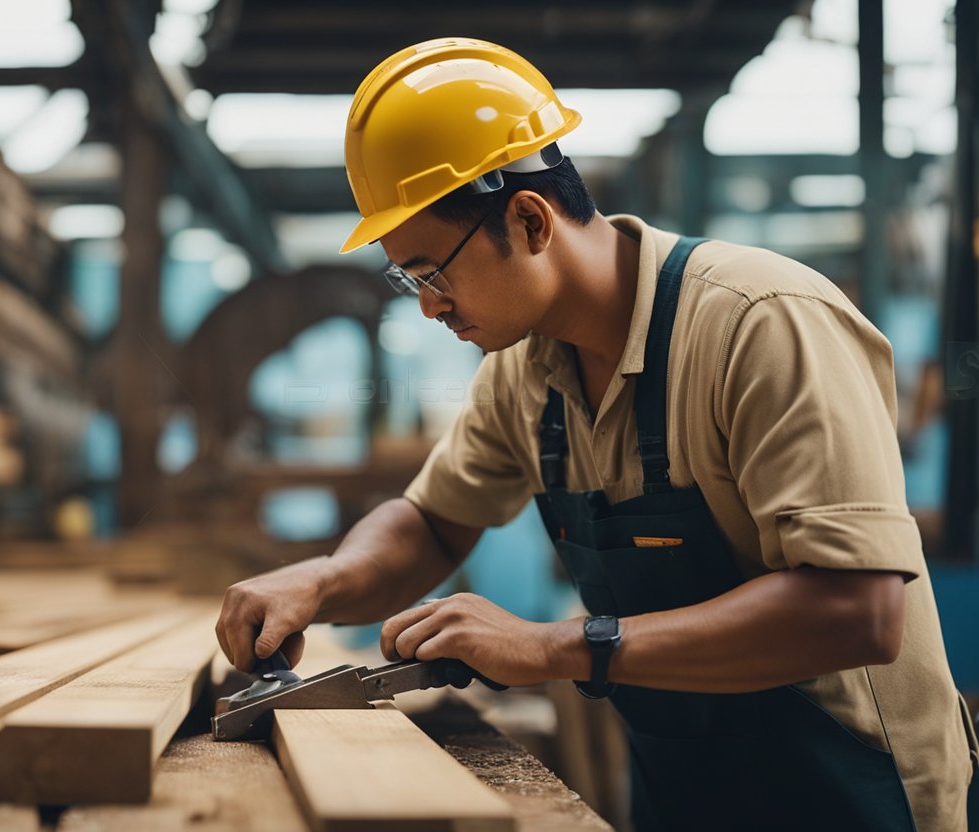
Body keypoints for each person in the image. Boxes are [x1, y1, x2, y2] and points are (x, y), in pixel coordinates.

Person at [215, 38, 977, 830]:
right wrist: (324, 582)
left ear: (530, 219)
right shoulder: (525, 371)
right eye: (408, 280)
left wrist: (560, 645)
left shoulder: (762, 324)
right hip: (687, 793)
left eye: (431, 272)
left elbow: (858, 611)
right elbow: (435, 521)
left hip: (851, 796)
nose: (428, 308)